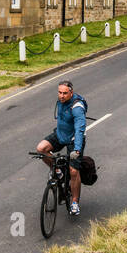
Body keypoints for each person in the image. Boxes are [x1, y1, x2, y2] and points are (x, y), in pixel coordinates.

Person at [36, 80, 88, 216]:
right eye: (60, 92)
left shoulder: (77, 107)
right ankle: (58, 170)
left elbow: (79, 128)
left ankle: (75, 202)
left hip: (74, 139)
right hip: (60, 135)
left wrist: (77, 149)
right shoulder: (60, 101)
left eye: (65, 93)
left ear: (71, 92)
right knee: (41, 149)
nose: (61, 96)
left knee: (73, 171)